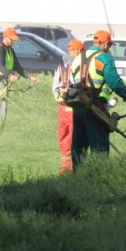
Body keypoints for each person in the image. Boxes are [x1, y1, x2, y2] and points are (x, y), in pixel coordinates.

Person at [70, 30, 126, 167]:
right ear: (105, 44)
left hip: (78, 107)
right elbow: (115, 83)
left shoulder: (78, 58)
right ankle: (100, 179)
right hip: (95, 109)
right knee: (100, 149)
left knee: (78, 148)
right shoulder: (103, 58)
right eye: (109, 45)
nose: (109, 48)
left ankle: (78, 179)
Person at [0, 27, 38, 137]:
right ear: (5, 37)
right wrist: (10, 75)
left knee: (0, 108)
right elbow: (0, 65)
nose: (13, 42)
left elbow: (17, 66)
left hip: (4, 81)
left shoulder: (10, 49)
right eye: (11, 39)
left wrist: (30, 77)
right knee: (1, 108)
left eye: (14, 40)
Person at [52, 39, 85, 174]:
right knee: (74, 137)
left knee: (64, 136)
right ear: (79, 51)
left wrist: (59, 98)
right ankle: (73, 168)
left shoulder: (61, 66)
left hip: (62, 106)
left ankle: (65, 168)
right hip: (75, 106)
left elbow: (54, 87)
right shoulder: (81, 65)